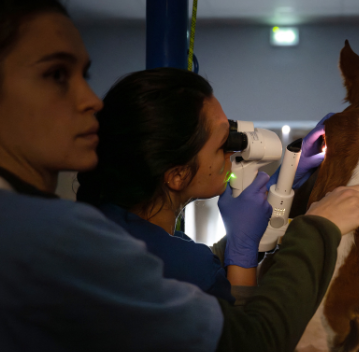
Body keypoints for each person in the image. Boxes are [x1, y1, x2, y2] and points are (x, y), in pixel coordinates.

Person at [0, 1, 359, 352]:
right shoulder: (45, 239)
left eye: (84, 75)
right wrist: (316, 228)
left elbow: (155, 277)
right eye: (56, 74)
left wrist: (258, 227)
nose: (90, 100)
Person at [75, 68, 332, 305]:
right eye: (223, 143)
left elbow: (209, 262)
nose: (232, 152)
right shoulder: (185, 267)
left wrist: (286, 178)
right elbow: (247, 335)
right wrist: (245, 251)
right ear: (178, 175)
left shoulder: (101, 230)